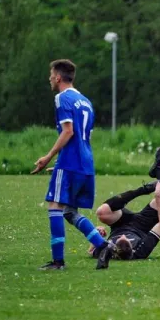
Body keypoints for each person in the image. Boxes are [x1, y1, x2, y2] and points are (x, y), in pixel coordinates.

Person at [32, 59, 111, 270]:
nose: (50, 78)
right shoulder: (86, 102)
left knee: (55, 206)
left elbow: (68, 132)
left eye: (51, 75)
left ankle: (58, 262)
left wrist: (49, 157)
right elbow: (86, 137)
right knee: (70, 211)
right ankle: (102, 246)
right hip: (85, 163)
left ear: (58, 77)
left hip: (71, 162)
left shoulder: (61, 98)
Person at [91, 147, 160, 267]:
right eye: (126, 240)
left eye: (120, 238)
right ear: (131, 249)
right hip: (143, 226)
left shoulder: (108, 250)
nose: (124, 235)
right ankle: (157, 170)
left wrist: (97, 233)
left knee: (102, 212)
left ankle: (143, 190)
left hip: (120, 222)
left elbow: (91, 251)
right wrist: (157, 194)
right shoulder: (141, 252)